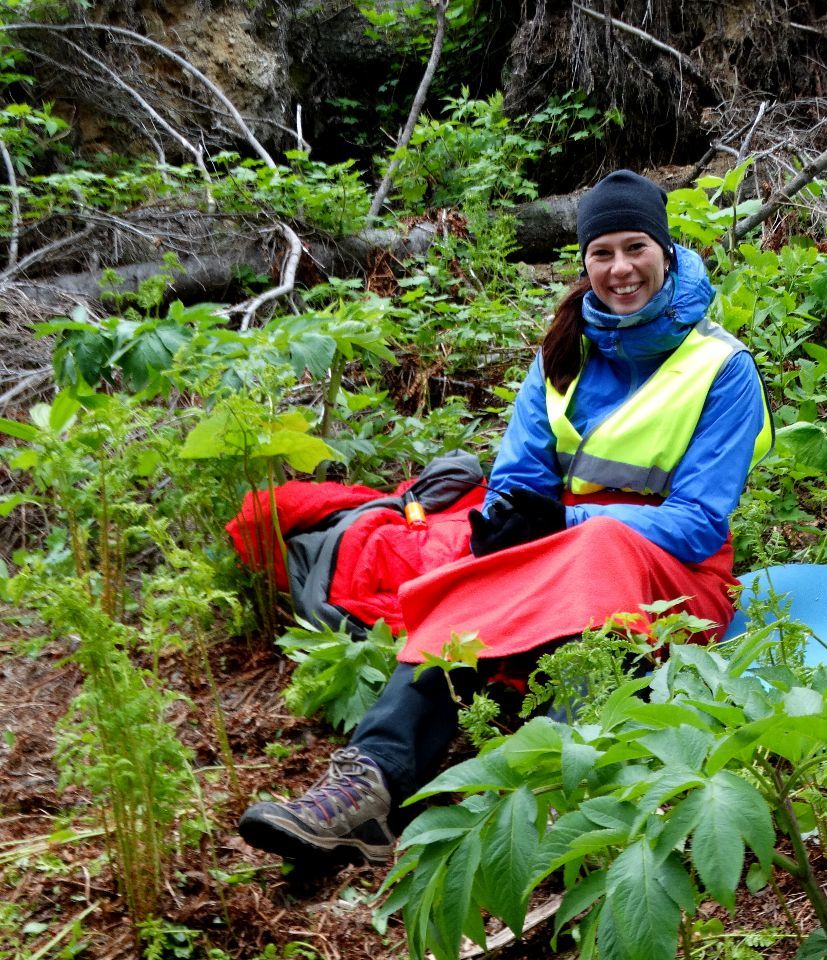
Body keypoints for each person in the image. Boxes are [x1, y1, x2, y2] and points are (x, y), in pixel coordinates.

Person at [237, 170, 773, 867]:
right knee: (472, 570)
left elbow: (699, 522)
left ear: (666, 253)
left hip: (675, 575)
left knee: (599, 546)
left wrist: (567, 527)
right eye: (601, 252)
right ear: (583, 262)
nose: (620, 269)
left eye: (635, 248)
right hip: (571, 550)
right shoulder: (561, 351)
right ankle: (368, 783)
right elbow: (518, 479)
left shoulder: (722, 367)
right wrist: (514, 522)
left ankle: (549, 782)